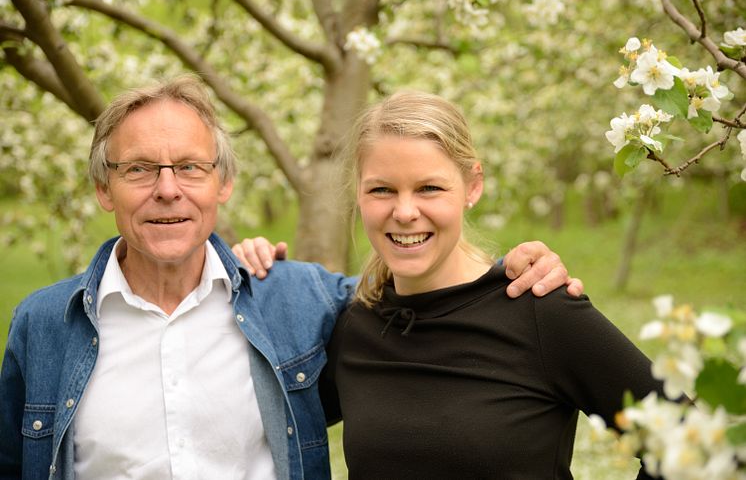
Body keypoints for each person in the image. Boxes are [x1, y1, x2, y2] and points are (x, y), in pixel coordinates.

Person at [0, 76, 577, 480]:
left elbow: (428, 296)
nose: (168, 189)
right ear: (104, 188)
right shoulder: (45, 325)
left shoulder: (292, 298)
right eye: (140, 169)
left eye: (191, 168)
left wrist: (508, 275)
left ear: (223, 184)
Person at [313, 91, 663, 479]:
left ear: (472, 186)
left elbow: (684, 440)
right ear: (359, 195)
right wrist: (246, 263)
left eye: (429, 188)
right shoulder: (354, 324)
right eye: (382, 190)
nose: (405, 212)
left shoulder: (540, 310)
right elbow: (265, 418)